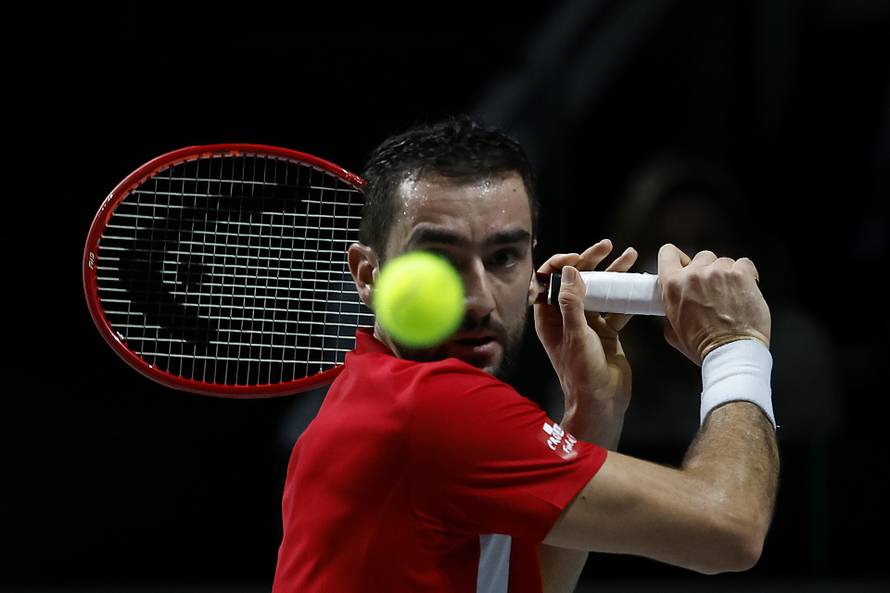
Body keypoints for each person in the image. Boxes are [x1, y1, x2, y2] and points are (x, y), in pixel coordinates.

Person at [271, 116, 779, 593]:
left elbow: (531, 581)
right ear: (367, 275)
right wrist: (734, 348)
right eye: (437, 261)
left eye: (504, 258)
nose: (478, 299)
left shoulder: (374, 395)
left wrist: (593, 407)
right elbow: (730, 529)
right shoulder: (432, 407)